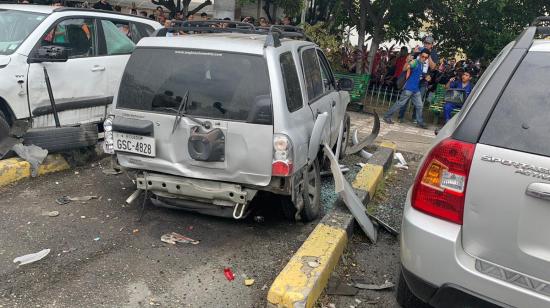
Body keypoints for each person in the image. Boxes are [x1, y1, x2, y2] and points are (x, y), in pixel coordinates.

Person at [383, 49, 431, 129]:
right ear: (419, 55)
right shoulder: (415, 62)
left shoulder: (421, 64)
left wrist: (425, 76)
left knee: (419, 105)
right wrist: (408, 61)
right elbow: (405, 69)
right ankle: (387, 116)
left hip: (415, 89)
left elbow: (418, 73)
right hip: (409, 88)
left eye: (426, 58)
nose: (424, 58)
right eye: (422, 56)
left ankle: (419, 122)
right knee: (400, 103)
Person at [398, 36, 439, 122]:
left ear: (432, 45)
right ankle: (400, 116)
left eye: (428, 43)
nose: (426, 45)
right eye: (425, 43)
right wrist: (414, 53)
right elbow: (408, 60)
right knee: (405, 98)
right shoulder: (418, 49)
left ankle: (414, 118)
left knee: (418, 101)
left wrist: (429, 54)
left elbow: (433, 67)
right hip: (412, 78)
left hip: (423, 81)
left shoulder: (434, 54)